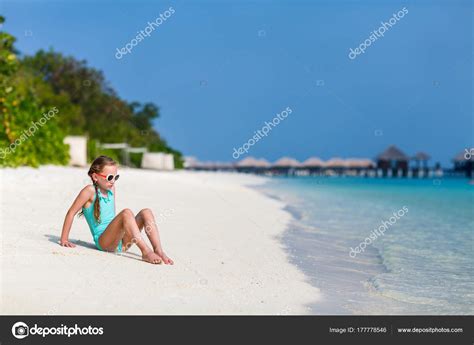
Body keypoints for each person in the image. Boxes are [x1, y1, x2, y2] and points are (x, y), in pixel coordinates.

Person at [59, 155, 173, 265]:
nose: (113, 181)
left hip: (122, 243)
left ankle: (158, 250)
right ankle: (146, 251)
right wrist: (64, 239)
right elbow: (71, 212)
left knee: (146, 212)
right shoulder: (89, 191)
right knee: (126, 213)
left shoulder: (111, 189)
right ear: (95, 177)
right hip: (104, 243)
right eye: (109, 177)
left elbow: (114, 220)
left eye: (115, 177)